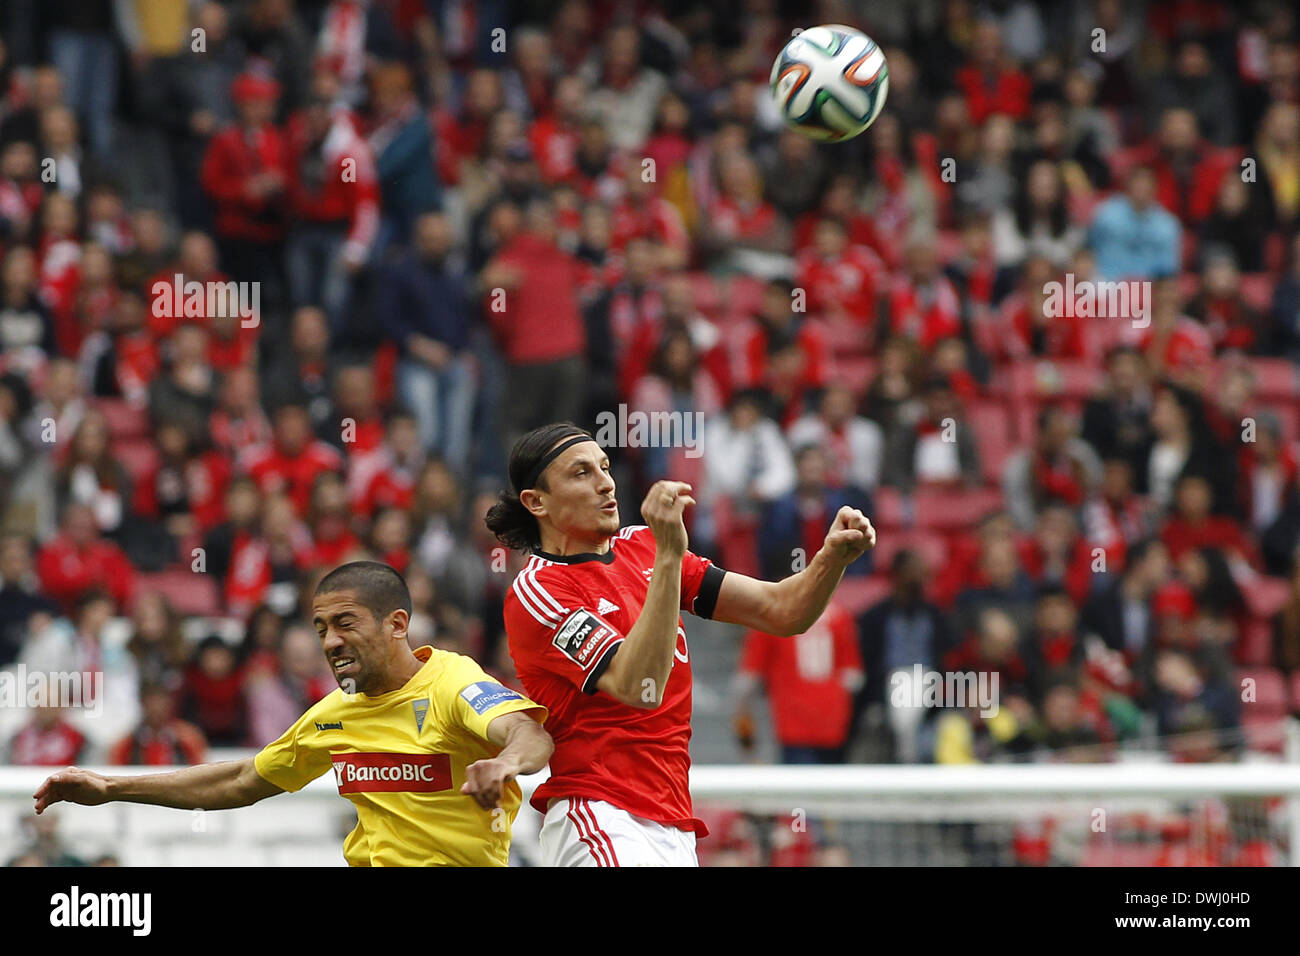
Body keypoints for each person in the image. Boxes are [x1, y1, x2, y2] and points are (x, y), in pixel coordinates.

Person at [486, 422, 876, 866]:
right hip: (599, 815)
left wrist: (832, 558)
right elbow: (639, 687)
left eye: (606, 467)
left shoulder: (644, 547)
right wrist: (671, 556)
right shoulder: (539, 591)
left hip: (672, 820)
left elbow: (781, 611)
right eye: (581, 473)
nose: (605, 483)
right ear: (537, 502)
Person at [33, 562, 554, 867]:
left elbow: (527, 732)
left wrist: (504, 764)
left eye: (345, 623)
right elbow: (241, 780)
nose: (330, 641)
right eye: (321, 627)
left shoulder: (453, 683)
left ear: (397, 624)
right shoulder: (334, 714)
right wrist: (110, 788)